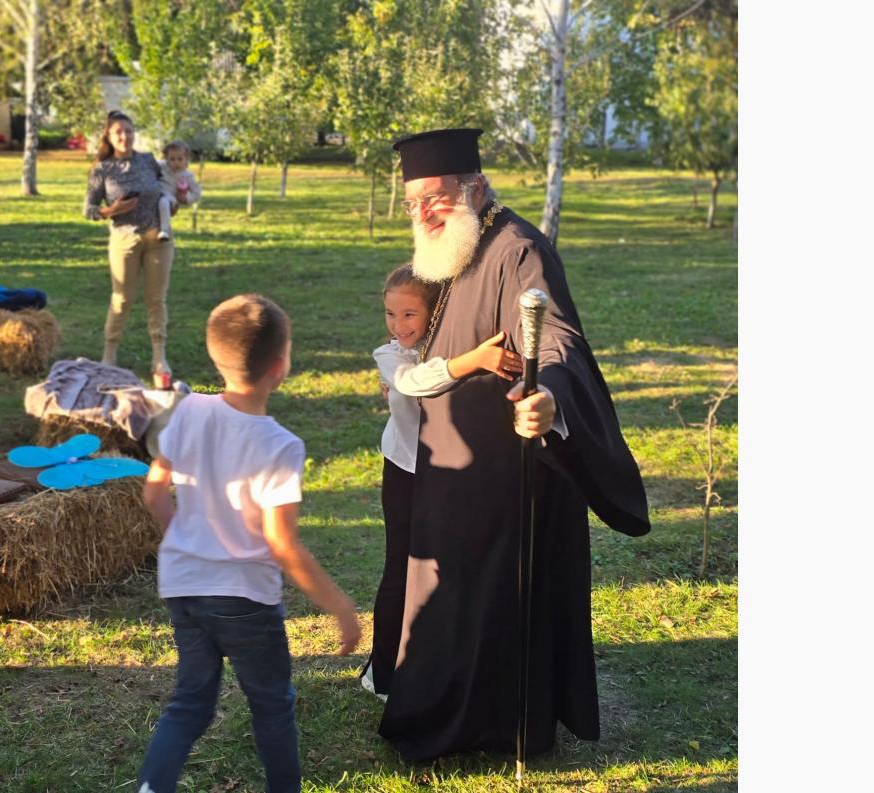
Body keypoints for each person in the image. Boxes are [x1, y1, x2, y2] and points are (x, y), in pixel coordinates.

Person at [375, 128, 652, 761]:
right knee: (446, 593)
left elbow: (557, 337)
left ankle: (485, 725)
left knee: (488, 597)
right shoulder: (455, 246)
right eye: (412, 201)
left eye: (434, 198)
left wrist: (549, 395)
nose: (422, 213)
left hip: (501, 472)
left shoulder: (519, 248)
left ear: (474, 188)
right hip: (449, 462)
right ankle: (435, 706)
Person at [134, 294, 361, 793]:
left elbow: (153, 493)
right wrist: (340, 607)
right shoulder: (280, 445)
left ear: (215, 355)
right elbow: (282, 544)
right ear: (281, 366)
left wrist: (185, 540)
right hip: (246, 602)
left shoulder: (187, 411)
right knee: (272, 705)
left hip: (184, 586)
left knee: (189, 704)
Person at [361, 263, 522, 699]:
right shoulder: (390, 356)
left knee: (447, 571)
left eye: (409, 314)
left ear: (434, 313)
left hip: (451, 476)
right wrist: (475, 361)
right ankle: (383, 673)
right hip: (405, 471)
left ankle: (442, 662)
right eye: (390, 314)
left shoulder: (450, 343)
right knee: (402, 568)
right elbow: (416, 383)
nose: (398, 325)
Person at [83, 110, 176, 384]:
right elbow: (89, 209)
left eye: (129, 131)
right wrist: (112, 210)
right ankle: (109, 354)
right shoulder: (102, 170)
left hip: (158, 239)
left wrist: (174, 204)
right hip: (124, 240)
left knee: (156, 299)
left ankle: (159, 356)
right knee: (122, 299)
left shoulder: (148, 161)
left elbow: (164, 189)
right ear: (109, 137)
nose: (125, 136)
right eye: (118, 132)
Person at [155, 140, 202, 242]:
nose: (176, 162)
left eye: (180, 159)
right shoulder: (162, 166)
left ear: (186, 159)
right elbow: (149, 164)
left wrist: (186, 199)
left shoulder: (187, 176)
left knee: (163, 202)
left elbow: (197, 193)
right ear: (166, 159)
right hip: (156, 193)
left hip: (170, 198)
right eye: (172, 159)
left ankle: (164, 230)